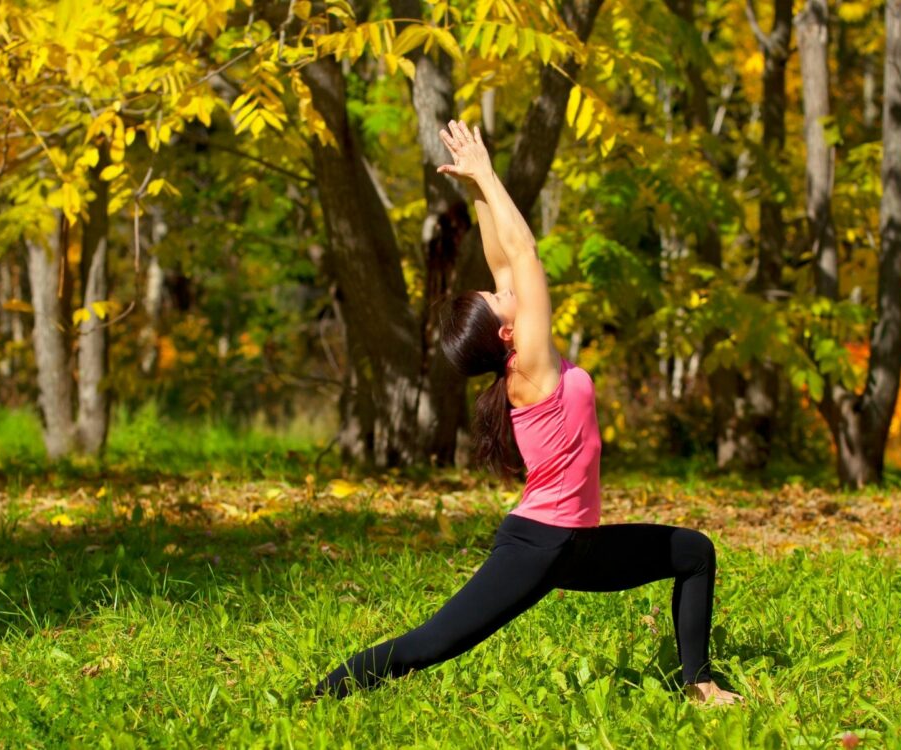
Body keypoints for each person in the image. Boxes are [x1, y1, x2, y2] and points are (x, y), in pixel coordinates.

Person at [310, 120, 745, 707]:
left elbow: (505, 259)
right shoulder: (530, 367)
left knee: (694, 552)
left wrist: (476, 188)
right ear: (508, 331)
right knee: (428, 645)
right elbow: (525, 252)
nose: (502, 287)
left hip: (575, 543)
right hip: (538, 545)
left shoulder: (519, 351)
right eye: (496, 298)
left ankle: (699, 684)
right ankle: (314, 698)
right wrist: (489, 170)